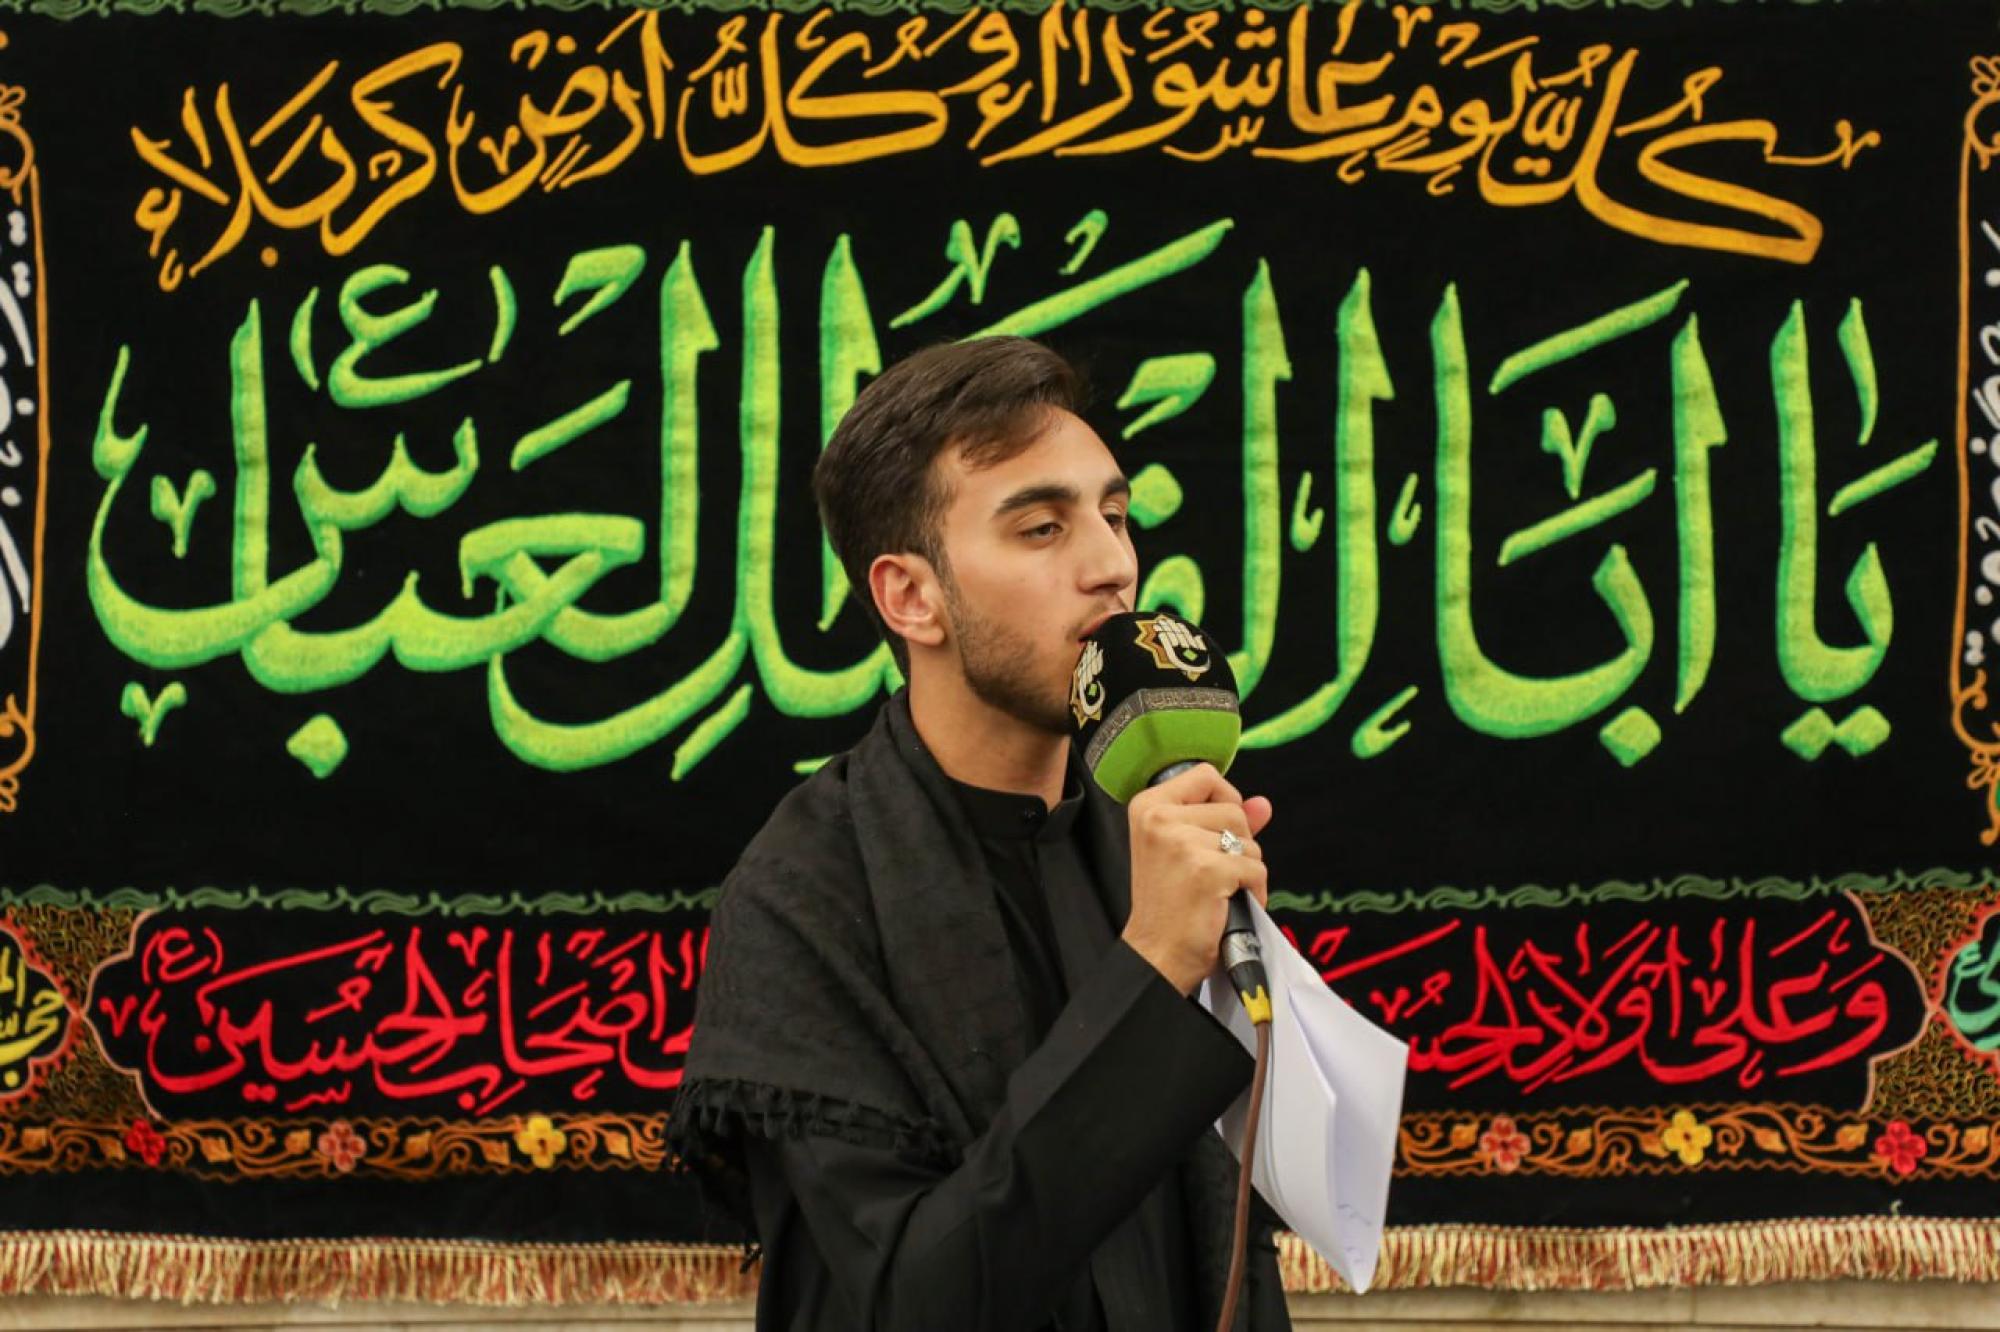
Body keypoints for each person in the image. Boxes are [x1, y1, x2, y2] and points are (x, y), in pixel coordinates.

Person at [670, 337, 1291, 1331]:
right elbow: (914, 1299)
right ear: (910, 597)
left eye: (1115, 516)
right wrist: (1150, 968)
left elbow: (1225, 1250)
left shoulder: (1146, 830)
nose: (1113, 567)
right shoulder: (805, 896)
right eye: (1042, 528)